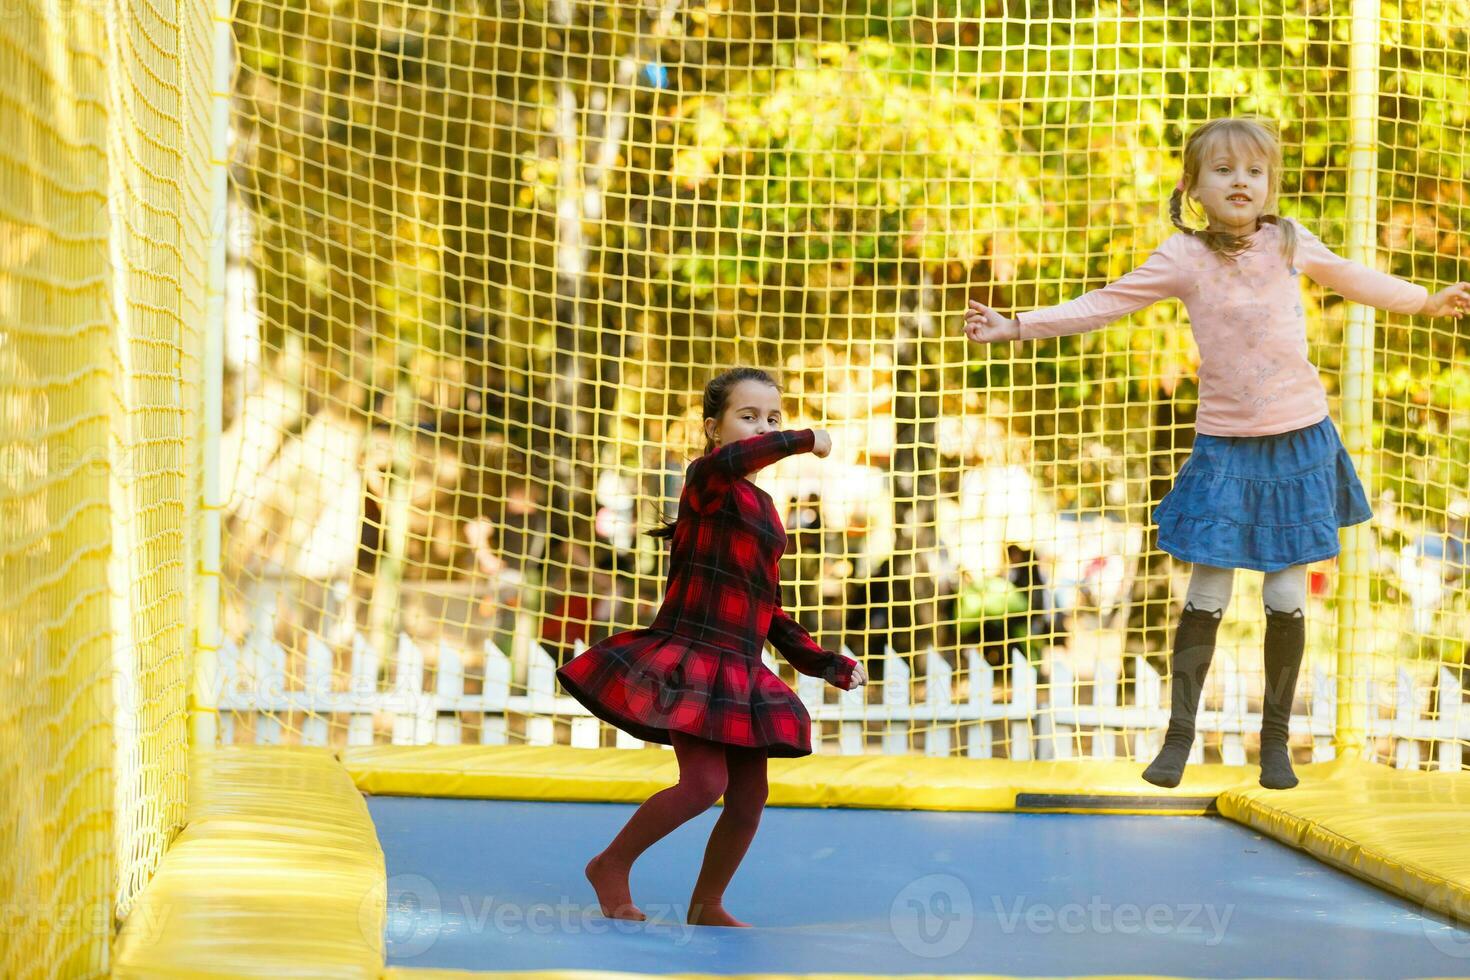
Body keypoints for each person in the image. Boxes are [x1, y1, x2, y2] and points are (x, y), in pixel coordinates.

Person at [963, 117, 1469, 790]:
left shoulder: (1289, 241)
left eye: (1254, 172)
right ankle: (1178, 737)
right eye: (1225, 170)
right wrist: (1018, 325)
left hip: (1297, 440)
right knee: (1207, 588)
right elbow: (1106, 304)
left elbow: (1353, 278)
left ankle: (1277, 744)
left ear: (1269, 185)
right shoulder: (1182, 258)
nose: (1241, 182)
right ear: (1194, 186)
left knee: (1287, 593)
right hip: (1226, 447)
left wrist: (1425, 301)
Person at [556, 366, 868, 927]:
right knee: (704, 784)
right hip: (694, 657)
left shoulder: (767, 511)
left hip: (741, 670)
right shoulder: (707, 476)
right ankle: (609, 864)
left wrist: (825, 663)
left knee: (749, 801)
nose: (762, 428)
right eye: (747, 417)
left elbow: (766, 605)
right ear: (713, 428)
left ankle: (707, 903)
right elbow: (735, 461)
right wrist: (802, 438)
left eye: (773, 418)